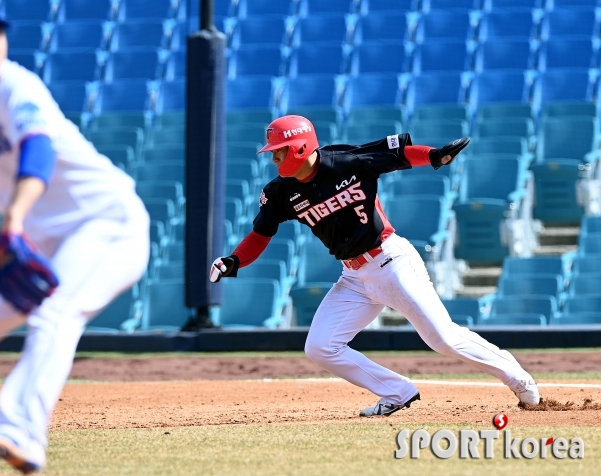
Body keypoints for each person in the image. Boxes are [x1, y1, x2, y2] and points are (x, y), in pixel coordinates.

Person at [0, 1, 149, 475]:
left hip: (107, 223)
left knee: (55, 310)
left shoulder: (17, 86)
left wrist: (13, 217)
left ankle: (23, 434)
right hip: (38, 239)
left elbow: (39, 153)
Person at [209, 114, 540, 417]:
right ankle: (397, 392)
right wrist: (233, 260)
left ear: (299, 146)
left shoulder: (344, 161)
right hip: (353, 276)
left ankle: (518, 378)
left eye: (279, 150)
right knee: (320, 346)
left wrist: (434, 156)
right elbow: (260, 235)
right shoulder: (280, 192)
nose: (274, 156)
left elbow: (397, 154)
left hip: (390, 260)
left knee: (442, 338)